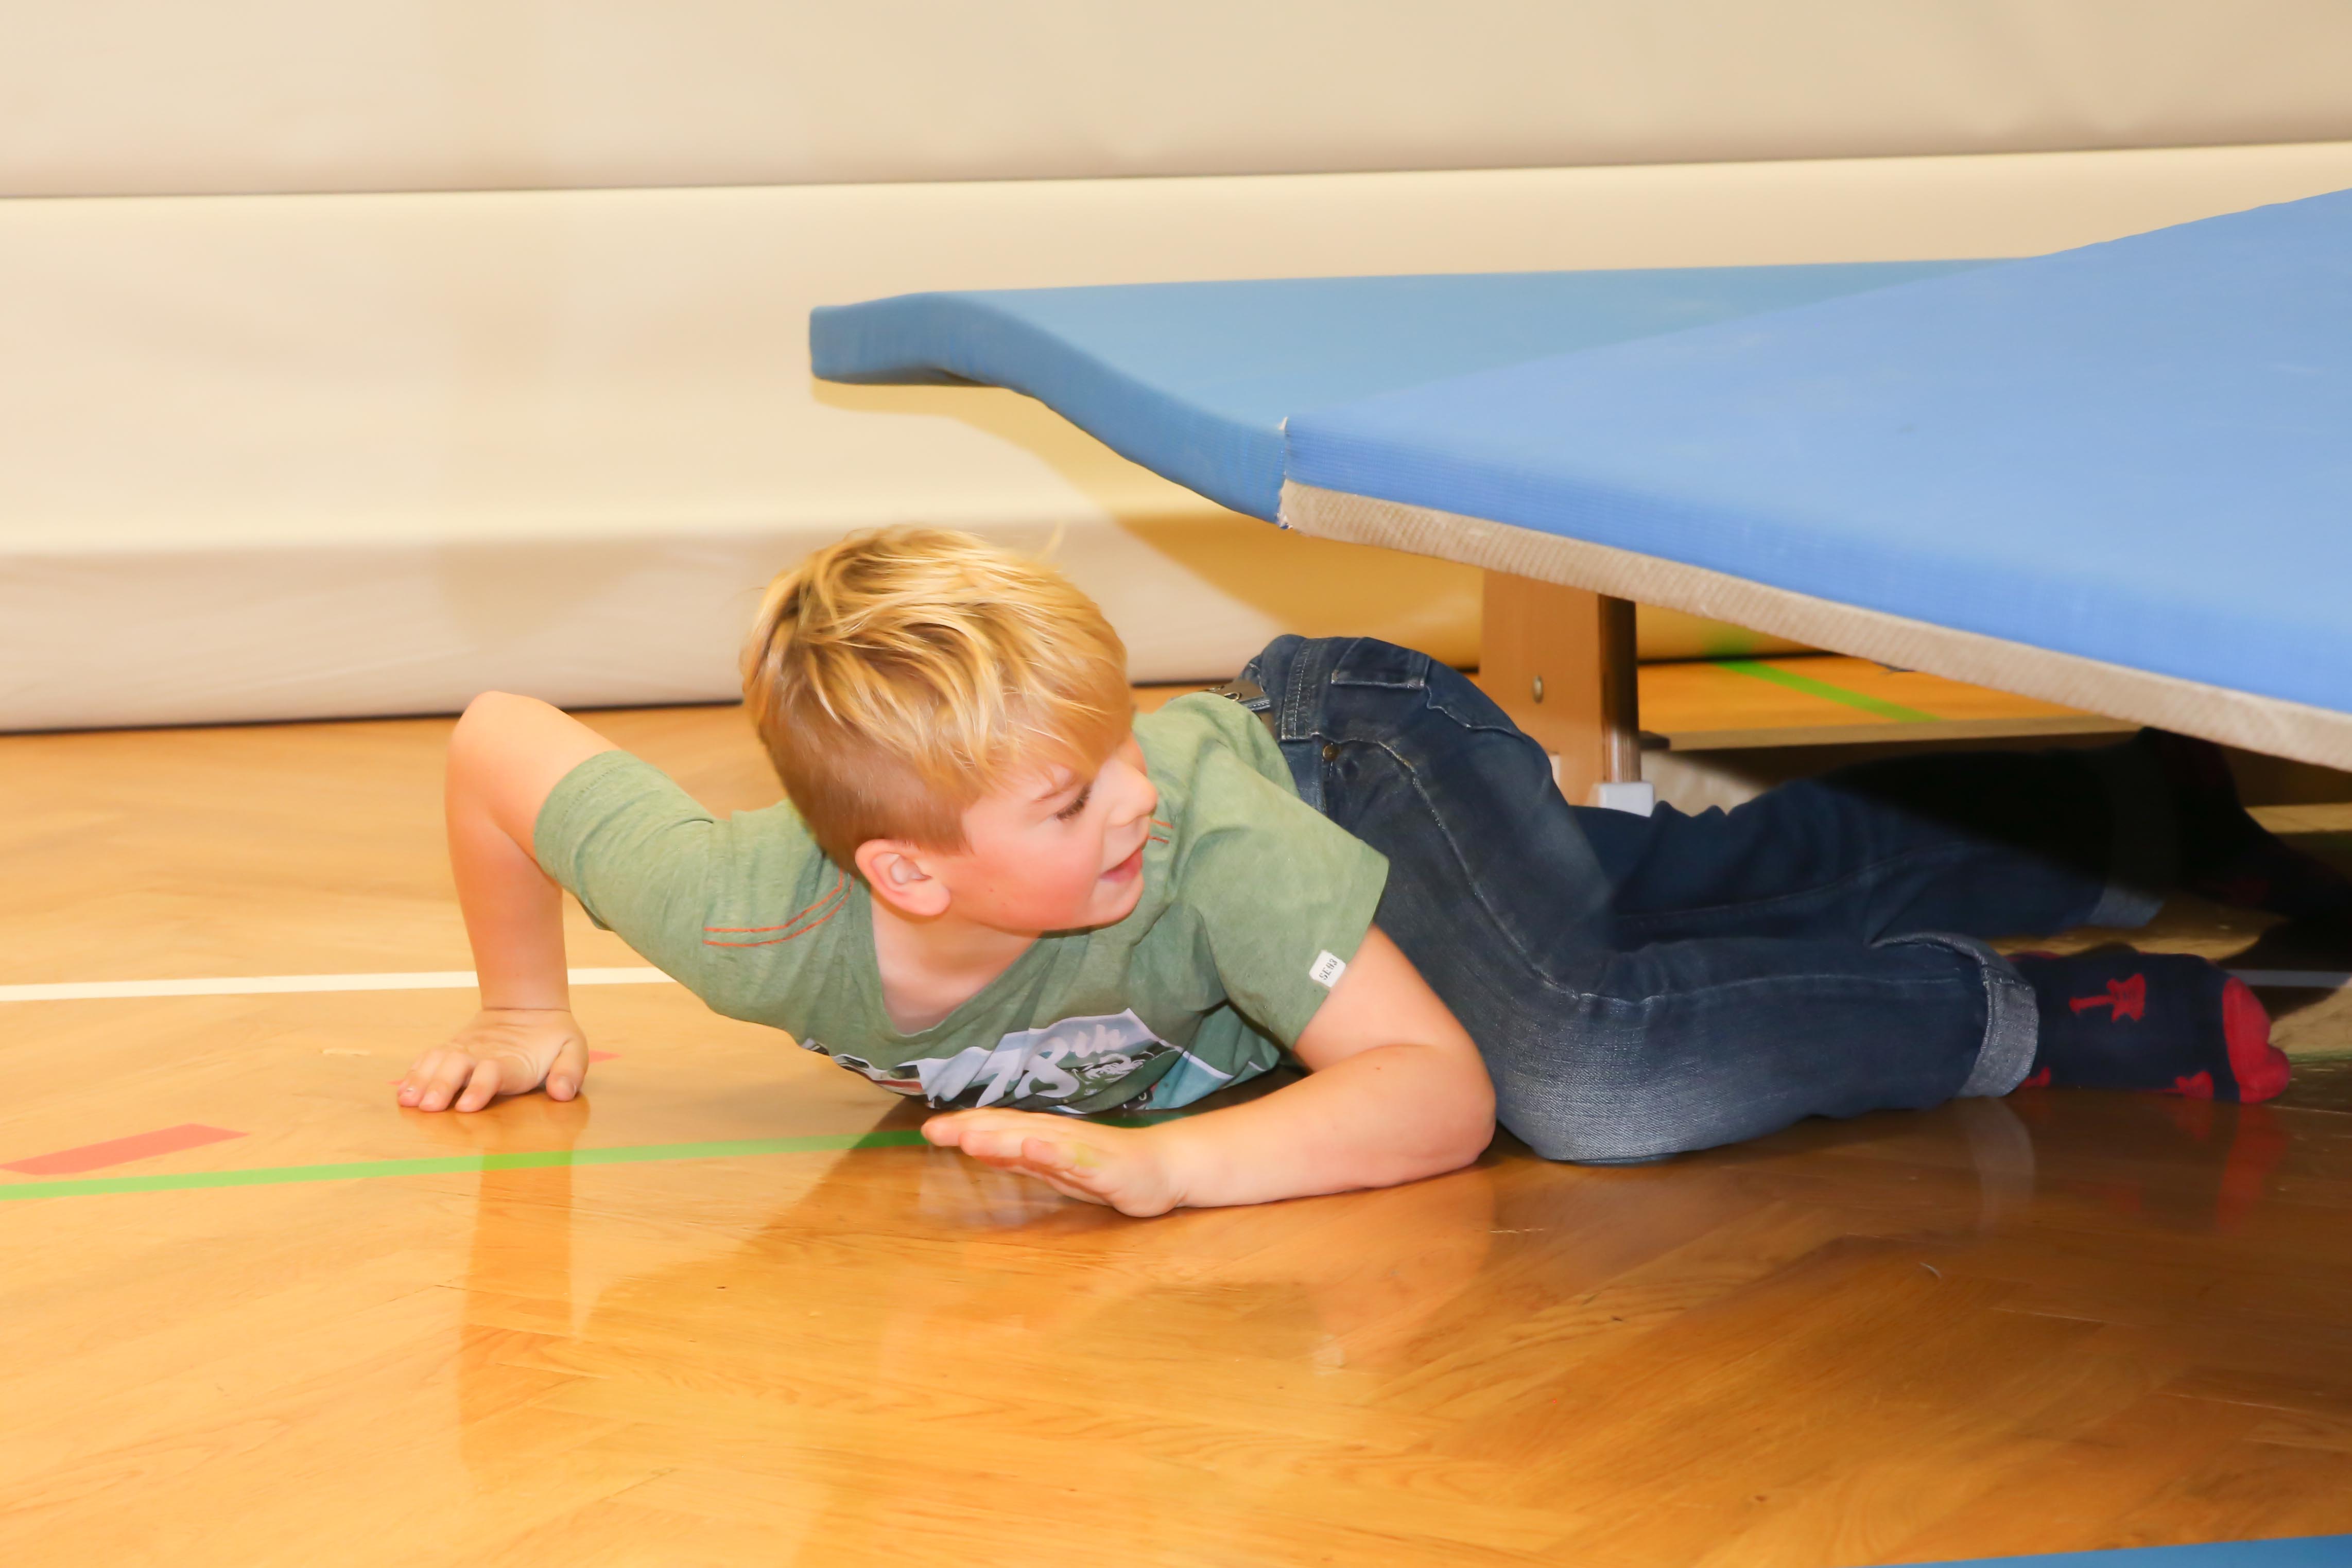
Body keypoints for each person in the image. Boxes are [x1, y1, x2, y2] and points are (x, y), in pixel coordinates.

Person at [399, 528, 2311, 1210]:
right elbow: (499, 739)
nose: (1125, 801)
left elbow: (1432, 1097)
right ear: (901, 875)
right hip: (1335, 816)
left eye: (1117, 748)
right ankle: (2120, 825)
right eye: (1065, 800)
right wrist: (524, 1008)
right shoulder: (748, 918)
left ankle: (2024, 1017)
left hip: (1345, 759)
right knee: (1642, 908)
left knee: (1585, 1068)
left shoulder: (1195, 836)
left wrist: (1173, 1171)